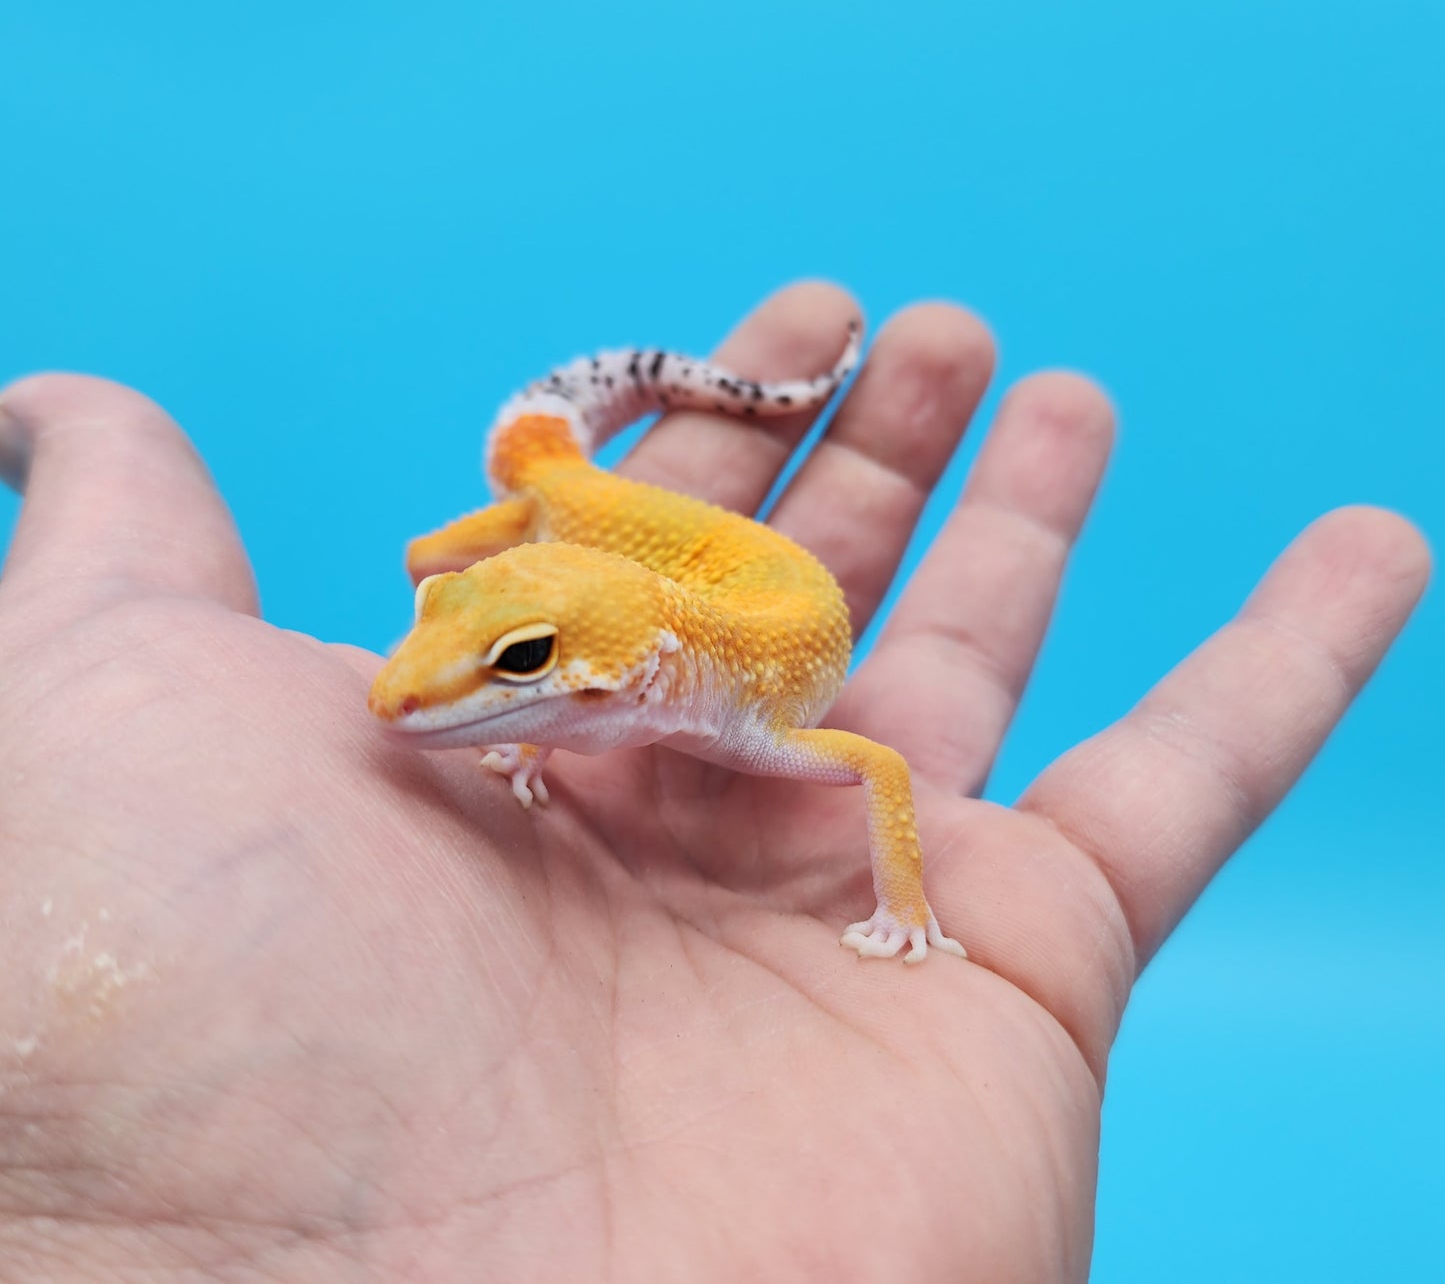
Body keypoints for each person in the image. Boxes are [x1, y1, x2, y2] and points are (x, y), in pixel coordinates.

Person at [0, 284, 1428, 1280]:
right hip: (593, 540)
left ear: (632, 682)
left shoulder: (736, 709)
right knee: (499, 541)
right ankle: (541, 520)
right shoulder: (588, 636)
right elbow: (498, 628)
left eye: (517, 670)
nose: (401, 699)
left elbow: (870, 763)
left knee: (530, 544)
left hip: (677, 586)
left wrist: (906, 907)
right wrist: (500, 689)